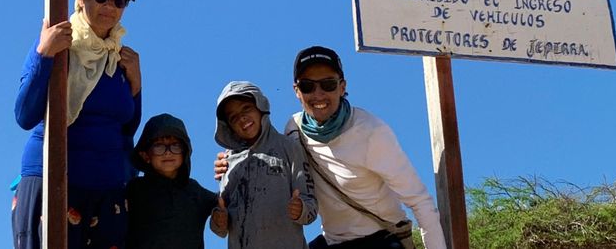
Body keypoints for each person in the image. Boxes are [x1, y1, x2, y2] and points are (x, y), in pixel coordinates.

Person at [215, 47, 447, 249]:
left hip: (380, 238)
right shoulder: (294, 129)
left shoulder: (371, 131)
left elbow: (419, 201)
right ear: (297, 91)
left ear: (342, 87)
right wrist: (233, 161)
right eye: (307, 86)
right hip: (332, 242)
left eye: (328, 84)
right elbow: (267, 153)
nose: (318, 94)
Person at [12, 0, 143, 249]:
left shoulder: (120, 57)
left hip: (107, 192)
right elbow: (25, 115)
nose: (110, 5)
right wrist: (43, 55)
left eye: (119, 0)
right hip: (51, 180)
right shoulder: (59, 41)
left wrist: (137, 87)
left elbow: (126, 129)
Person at [211, 81, 318, 249]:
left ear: (261, 106)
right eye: (233, 117)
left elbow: (311, 206)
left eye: (246, 108)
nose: (242, 118)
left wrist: (301, 209)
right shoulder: (227, 163)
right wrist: (218, 221)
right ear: (229, 127)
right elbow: (221, 227)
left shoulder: (289, 148)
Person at [126, 113, 220, 249]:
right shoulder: (134, 190)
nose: (168, 152)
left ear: (185, 152)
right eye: (159, 146)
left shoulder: (195, 191)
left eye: (175, 145)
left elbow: (226, 203)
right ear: (145, 155)